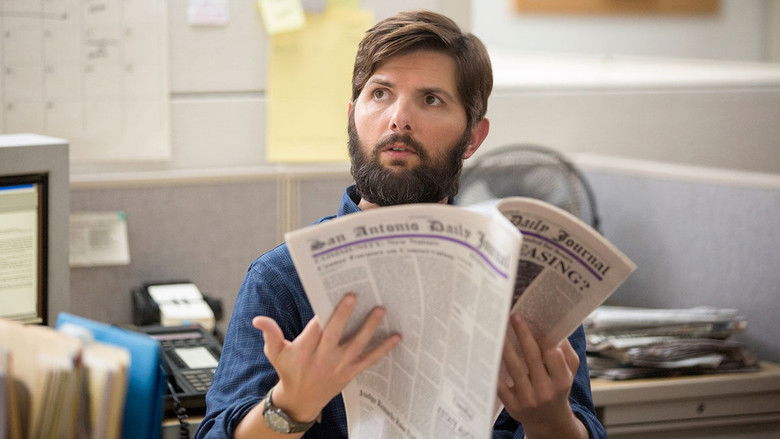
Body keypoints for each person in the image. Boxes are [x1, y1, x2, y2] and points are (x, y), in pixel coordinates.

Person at [195, 10, 605, 439]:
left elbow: (581, 424)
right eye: (380, 93)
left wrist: (549, 420)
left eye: (431, 100)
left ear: (473, 137)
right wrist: (290, 405)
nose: (398, 119)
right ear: (352, 116)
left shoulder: (527, 280)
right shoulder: (283, 278)